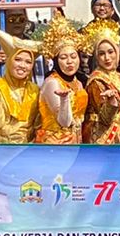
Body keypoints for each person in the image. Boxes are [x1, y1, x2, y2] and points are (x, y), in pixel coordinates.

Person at [0, 27, 42, 144]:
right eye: (18, 59)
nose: (23, 65)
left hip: (26, 149)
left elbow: (37, 124)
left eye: (28, 62)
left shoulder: (35, 90)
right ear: (9, 61)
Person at [37, 13, 88, 145]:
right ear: (55, 60)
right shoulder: (53, 83)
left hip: (75, 142)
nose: (69, 62)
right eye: (63, 58)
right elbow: (64, 122)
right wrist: (64, 99)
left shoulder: (78, 82)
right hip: (55, 144)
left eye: (73, 56)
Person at [82, 25, 120, 143]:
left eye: (110, 52)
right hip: (101, 136)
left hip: (119, 134)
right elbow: (105, 118)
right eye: (101, 54)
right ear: (96, 57)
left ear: (117, 53)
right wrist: (111, 102)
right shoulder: (96, 80)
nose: (107, 58)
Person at [80, 0, 120, 69]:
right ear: (92, 9)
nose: (102, 8)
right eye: (98, 5)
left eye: (106, 5)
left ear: (112, 9)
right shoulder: (82, 34)